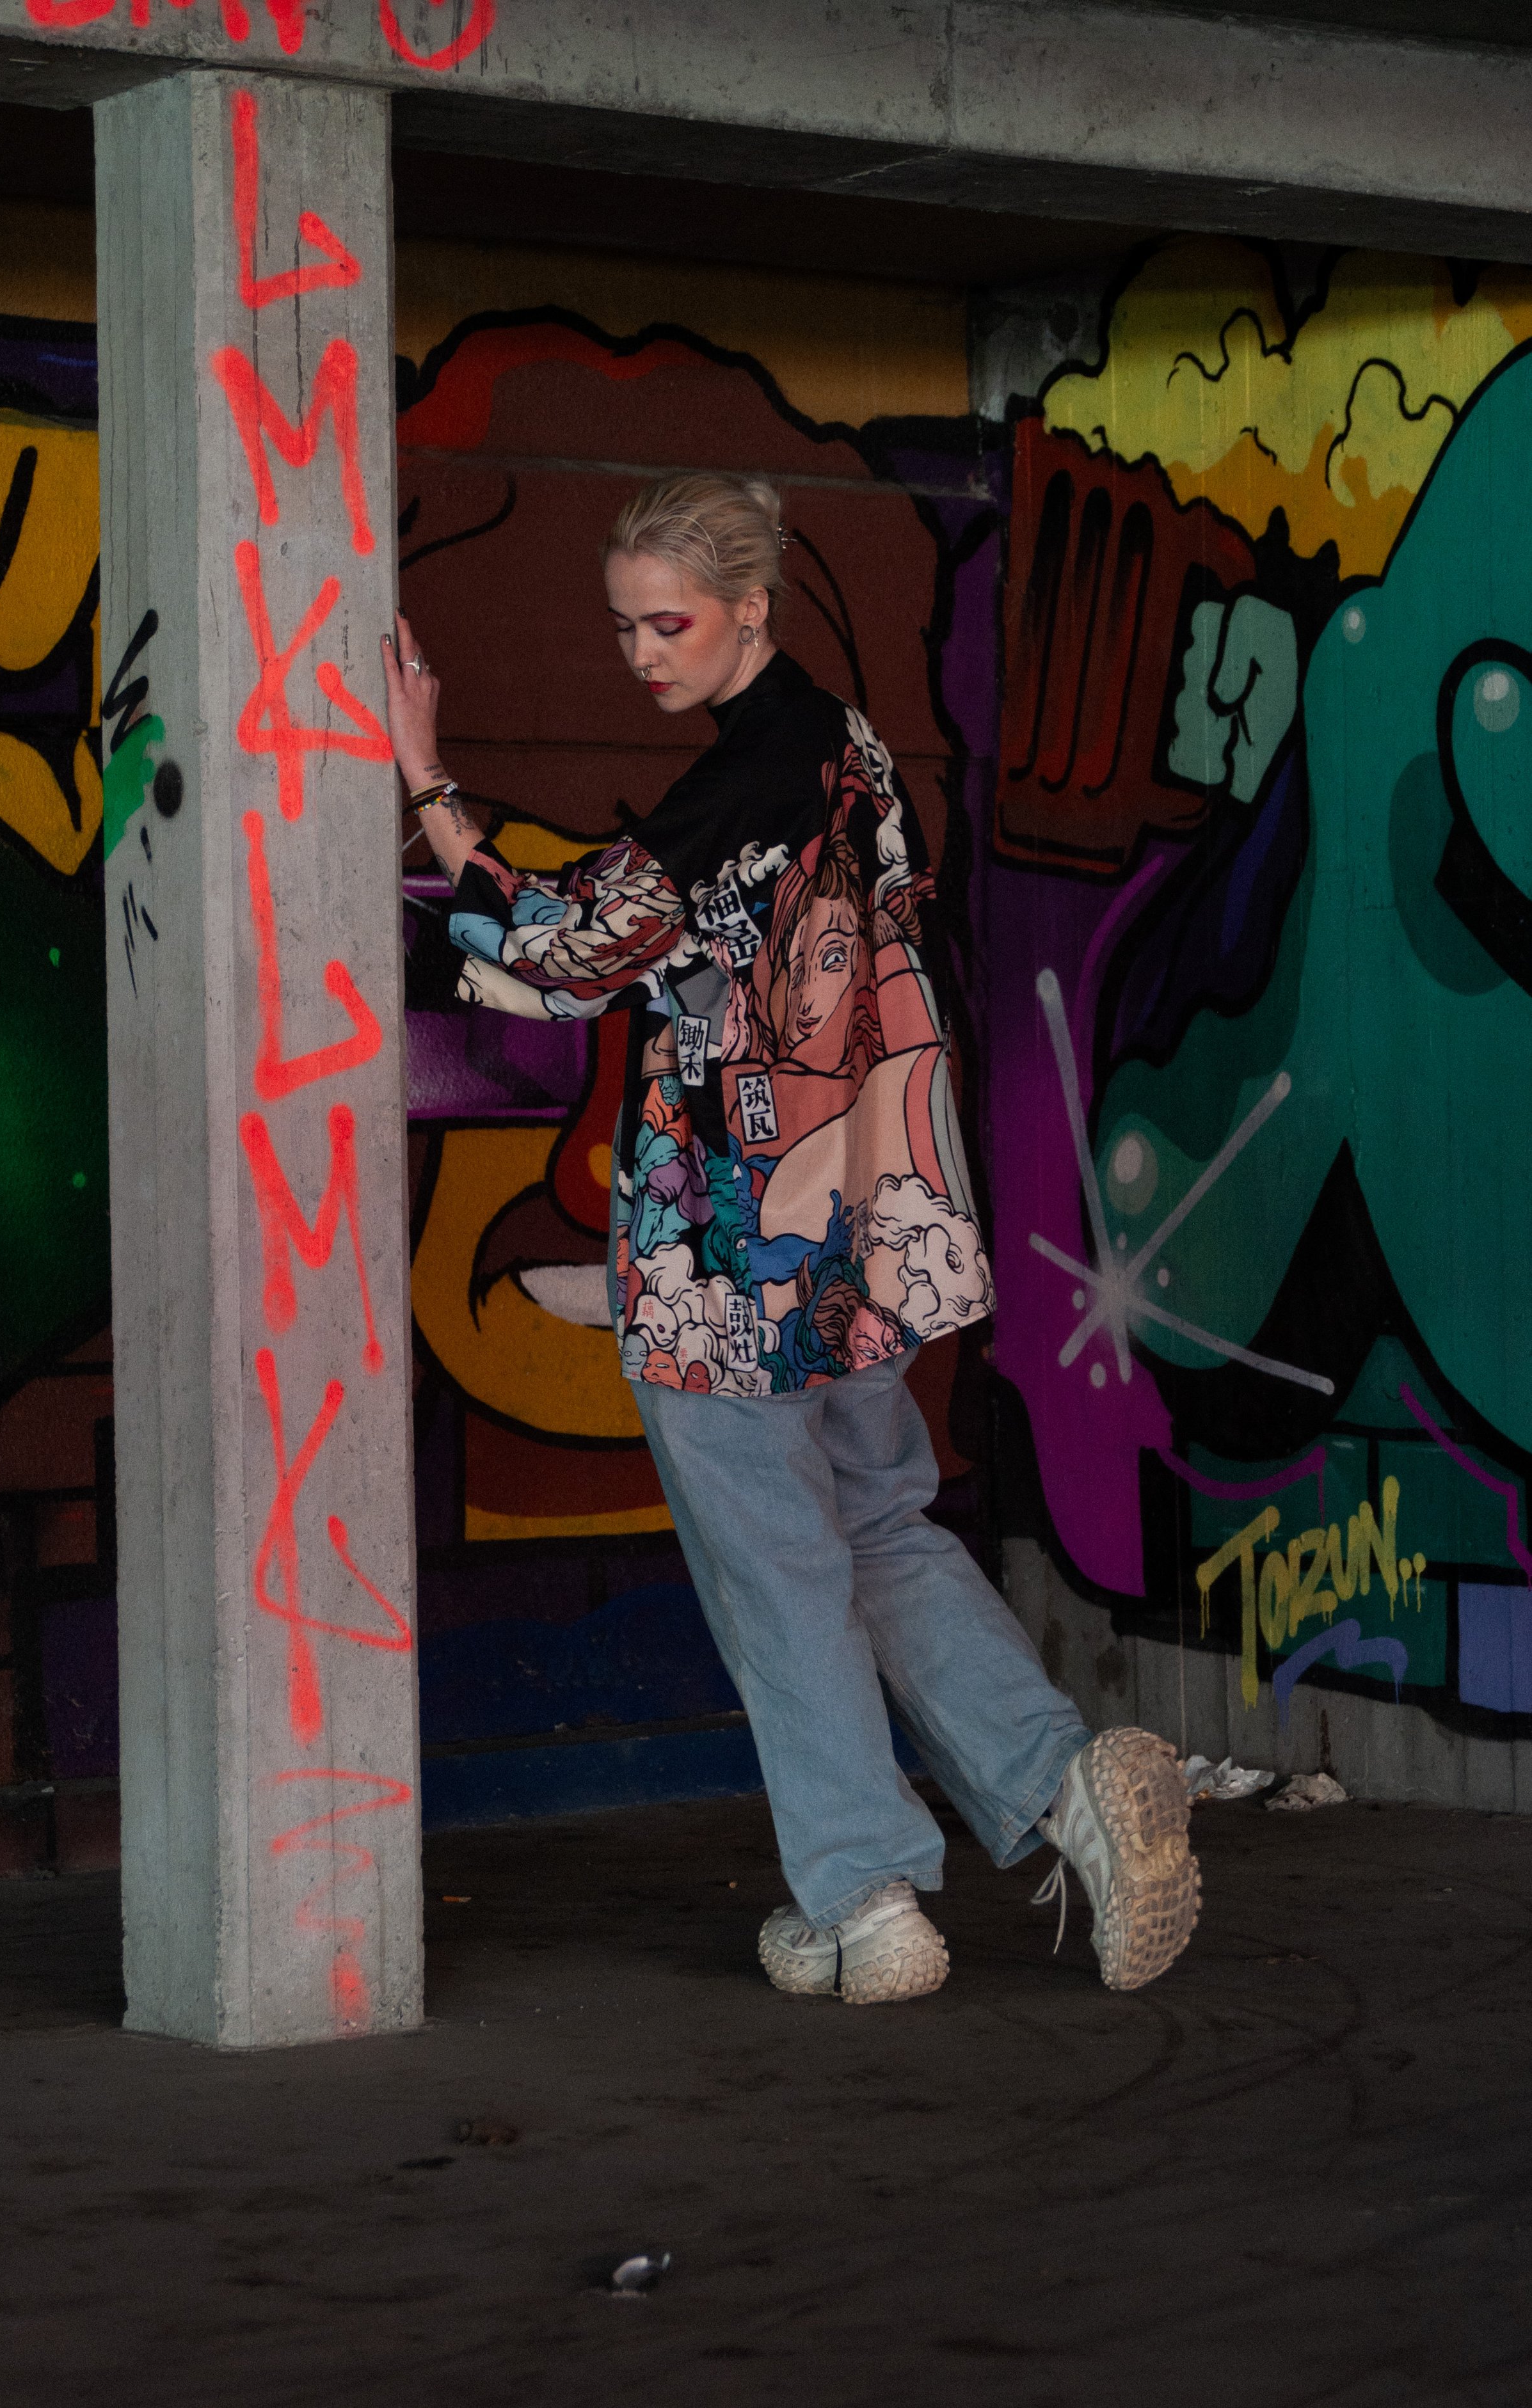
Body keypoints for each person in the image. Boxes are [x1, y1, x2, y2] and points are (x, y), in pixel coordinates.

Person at [381, 473, 1199, 2005]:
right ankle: (1069, 1787)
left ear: (748, 606)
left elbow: (563, 948)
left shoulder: (731, 799)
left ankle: (867, 1901)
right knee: (881, 1524)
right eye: (622, 626)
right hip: (853, 1232)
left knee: (777, 1568)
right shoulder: (852, 755)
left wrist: (427, 779)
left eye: (666, 622)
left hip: (726, 1270)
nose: (640, 654)